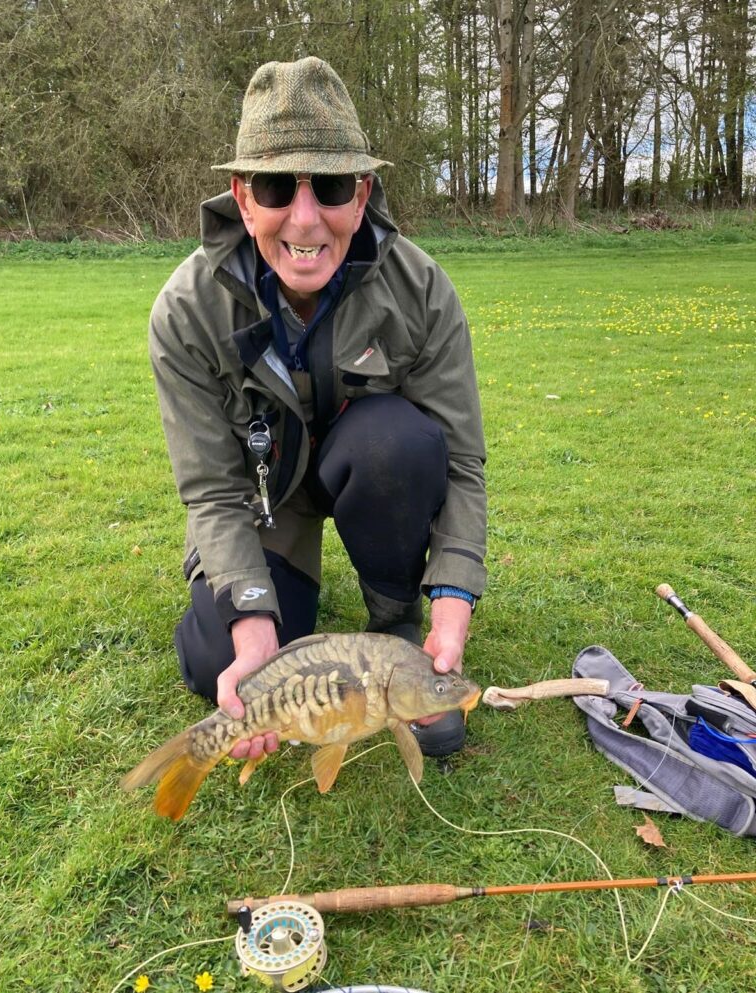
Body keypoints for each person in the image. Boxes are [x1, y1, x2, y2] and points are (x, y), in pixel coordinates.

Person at [149, 57, 487, 767]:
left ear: (361, 195)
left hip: (370, 471)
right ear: (243, 198)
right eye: (276, 186)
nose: (305, 218)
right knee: (215, 661)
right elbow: (212, 490)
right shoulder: (185, 312)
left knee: (395, 441)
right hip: (265, 505)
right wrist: (251, 628)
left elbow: (459, 464)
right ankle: (272, 612)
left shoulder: (423, 291)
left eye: (330, 186)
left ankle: (395, 620)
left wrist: (453, 600)